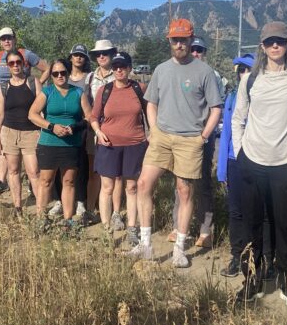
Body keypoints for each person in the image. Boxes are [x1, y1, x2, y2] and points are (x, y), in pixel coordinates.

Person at [126, 18, 223, 267]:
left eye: (183, 39)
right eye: (175, 40)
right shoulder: (161, 69)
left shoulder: (204, 72)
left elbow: (215, 109)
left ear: (191, 40)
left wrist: (202, 137)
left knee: (184, 190)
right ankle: (146, 244)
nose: (179, 44)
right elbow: (151, 103)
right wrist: (155, 129)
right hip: (162, 137)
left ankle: (180, 247)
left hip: (190, 139)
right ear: (169, 41)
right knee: (144, 184)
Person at [231, 21, 287, 308]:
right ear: (262, 46)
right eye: (269, 42)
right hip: (252, 162)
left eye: (280, 41)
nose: (275, 46)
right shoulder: (250, 80)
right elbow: (237, 118)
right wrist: (241, 153)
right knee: (251, 227)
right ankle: (252, 280)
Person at [218, 54, 273, 301]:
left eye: (247, 70)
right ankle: (238, 256)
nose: (242, 73)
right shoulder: (231, 98)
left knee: (262, 215)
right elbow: (227, 134)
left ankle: (266, 261)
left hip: (260, 161)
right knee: (236, 212)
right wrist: (222, 169)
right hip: (234, 162)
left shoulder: (265, 97)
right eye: (239, 69)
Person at [167, 36, 223, 247]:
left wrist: (203, 137)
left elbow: (215, 108)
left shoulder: (211, 75)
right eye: (194, 49)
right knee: (180, 184)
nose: (196, 52)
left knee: (203, 184)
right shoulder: (178, 71)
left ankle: (205, 230)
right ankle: (178, 227)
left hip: (201, 138)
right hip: (180, 138)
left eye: (199, 50)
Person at [90, 51, 148, 244]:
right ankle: (107, 230)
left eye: (123, 66)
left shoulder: (139, 88)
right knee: (107, 187)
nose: (119, 70)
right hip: (109, 145)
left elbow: (150, 113)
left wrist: (152, 135)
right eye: (115, 67)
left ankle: (132, 228)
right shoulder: (104, 91)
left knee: (131, 187)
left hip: (135, 144)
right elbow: (93, 117)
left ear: (130, 68)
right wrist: (98, 132)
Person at [0, 27, 47, 195]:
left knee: (29, 142)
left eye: (9, 37)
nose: (6, 41)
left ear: (14, 38)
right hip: (4, 100)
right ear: (0, 41)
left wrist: (37, 86)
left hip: (26, 102)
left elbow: (46, 68)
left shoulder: (26, 54)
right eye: (3, 38)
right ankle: (2, 180)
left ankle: (31, 181)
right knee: (5, 142)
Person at [29, 58, 87, 230]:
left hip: (72, 143)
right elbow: (32, 114)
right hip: (49, 142)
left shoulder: (78, 92)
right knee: (46, 180)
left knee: (69, 181)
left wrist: (74, 127)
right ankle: (41, 218)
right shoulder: (47, 92)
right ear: (51, 76)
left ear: (68, 73)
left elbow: (88, 117)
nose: (60, 76)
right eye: (55, 73)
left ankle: (68, 221)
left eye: (63, 72)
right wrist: (51, 127)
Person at [0, 50, 43, 215]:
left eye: (18, 62)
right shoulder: (4, 86)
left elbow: (42, 110)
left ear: (24, 64)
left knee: (34, 172)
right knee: (13, 171)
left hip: (31, 133)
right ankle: (18, 207)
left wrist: (44, 131)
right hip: (9, 132)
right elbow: (0, 113)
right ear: (7, 66)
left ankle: (40, 211)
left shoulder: (33, 82)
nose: (15, 65)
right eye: (11, 63)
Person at [81, 39, 118, 221]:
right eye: (98, 54)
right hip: (94, 130)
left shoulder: (119, 74)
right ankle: (90, 209)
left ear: (112, 54)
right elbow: (86, 102)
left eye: (105, 53)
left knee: (115, 174)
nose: (101, 56)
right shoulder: (89, 78)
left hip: (115, 130)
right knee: (93, 171)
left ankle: (116, 213)